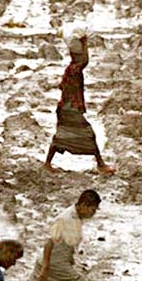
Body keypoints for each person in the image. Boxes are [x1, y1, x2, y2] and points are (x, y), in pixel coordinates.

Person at [7, 190, 101, 281]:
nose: (93, 213)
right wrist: (46, 266)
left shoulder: (76, 217)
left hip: (60, 261)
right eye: (93, 209)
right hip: (55, 264)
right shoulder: (65, 218)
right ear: (84, 205)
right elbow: (49, 243)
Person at [45, 30, 114, 174]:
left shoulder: (71, 69)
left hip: (66, 108)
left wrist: (83, 43)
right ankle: (100, 164)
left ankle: (48, 163)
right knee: (88, 135)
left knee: (61, 137)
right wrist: (85, 43)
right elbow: (85, 61)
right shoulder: (75, 69)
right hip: (70, 109)